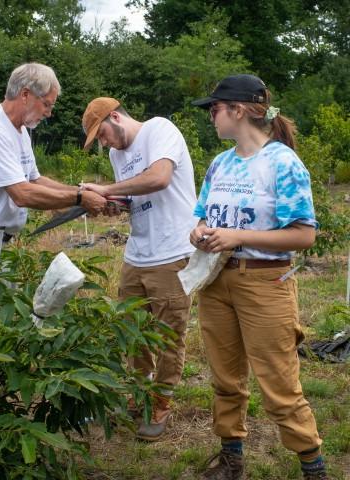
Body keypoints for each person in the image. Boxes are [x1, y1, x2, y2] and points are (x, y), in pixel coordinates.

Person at [190, 74, 327, 480]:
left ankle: (313, 468)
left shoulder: (282, 162)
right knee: (225, 378)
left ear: (238, 110)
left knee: (280, 387)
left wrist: (236, 236)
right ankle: (232, 458)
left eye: (214, 109)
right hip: (216, 281)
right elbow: (199, 214)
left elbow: (304, 234)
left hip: (265, 283)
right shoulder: (221, 162)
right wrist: (197, 231)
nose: (210, 116)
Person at [81, 97, 198, 441]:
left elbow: (159, 178)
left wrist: (107, 188)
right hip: (138, 252)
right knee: (129, 329)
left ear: (116, 117)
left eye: (101, 134)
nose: (103, 144)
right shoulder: (118, 155)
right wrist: (109, 204)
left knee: (168, 332)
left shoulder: (160, 130)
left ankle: (160, 402)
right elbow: (135, 199)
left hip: (172, 249)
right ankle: (140, 393)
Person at [0, 63, 106, 240]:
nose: (49, 114)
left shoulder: (21, 131)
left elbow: (35, 180)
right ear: (25, 95)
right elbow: (22, 194)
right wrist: (80, 198)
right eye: (47, 104)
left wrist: (81, 191)